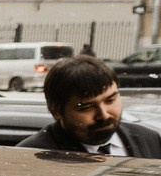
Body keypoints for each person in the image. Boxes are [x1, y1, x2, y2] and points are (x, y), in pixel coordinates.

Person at [18, 54, 161, 156]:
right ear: (56, 111)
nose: (103, 115)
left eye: (110, 100)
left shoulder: (149, 139)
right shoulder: (31, 154)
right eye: (86, 107)